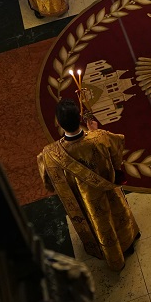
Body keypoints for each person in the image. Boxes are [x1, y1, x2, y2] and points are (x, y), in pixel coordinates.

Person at [38, 98, 139, 271]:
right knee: (117, 214)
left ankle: (108, 251)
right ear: (79, 118)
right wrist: (95, 131)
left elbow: (49, 183)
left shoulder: (49, 155)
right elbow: (117, 154)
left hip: (85, 202)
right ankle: (127, 241)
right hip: (108, 192)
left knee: (99, 224)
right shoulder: (100, 138)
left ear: (59, 123)